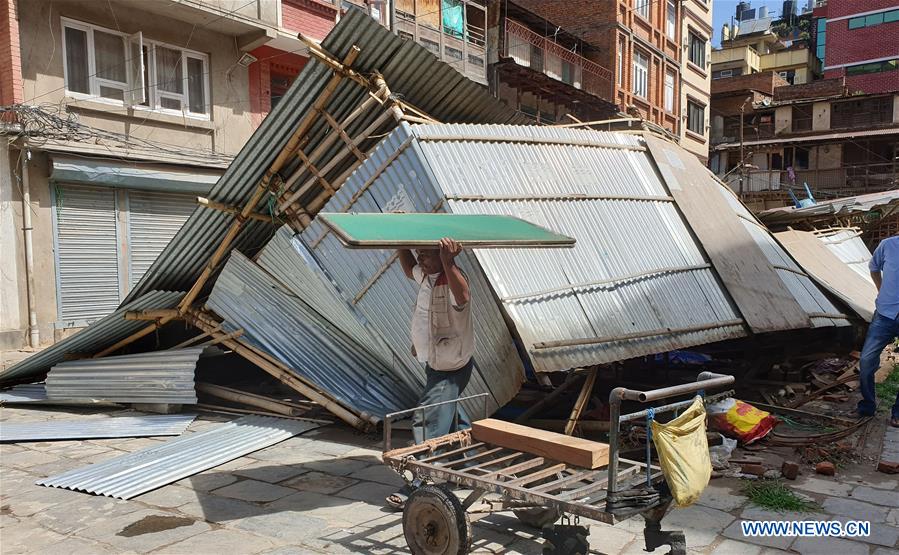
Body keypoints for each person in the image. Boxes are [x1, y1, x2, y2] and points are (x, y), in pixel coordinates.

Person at [385, 237, 476, 509]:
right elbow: (408, 268)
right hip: (436, 363)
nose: (420, 259)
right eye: (419, 253)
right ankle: (465, 468)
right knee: (451, 415)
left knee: (428, 419)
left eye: (426, 254)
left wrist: (450, 262)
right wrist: (400, 241)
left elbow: (463, 297)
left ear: (442, 255)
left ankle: (419, 481)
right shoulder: (427, 276)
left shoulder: (451, 279)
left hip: (450, 366)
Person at [858, 234, 899, 428]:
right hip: (885, 314)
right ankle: (868, 405)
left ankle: (898, 412)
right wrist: (881, 289)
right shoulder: (888, 245)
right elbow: (874, 267)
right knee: (866, 360)